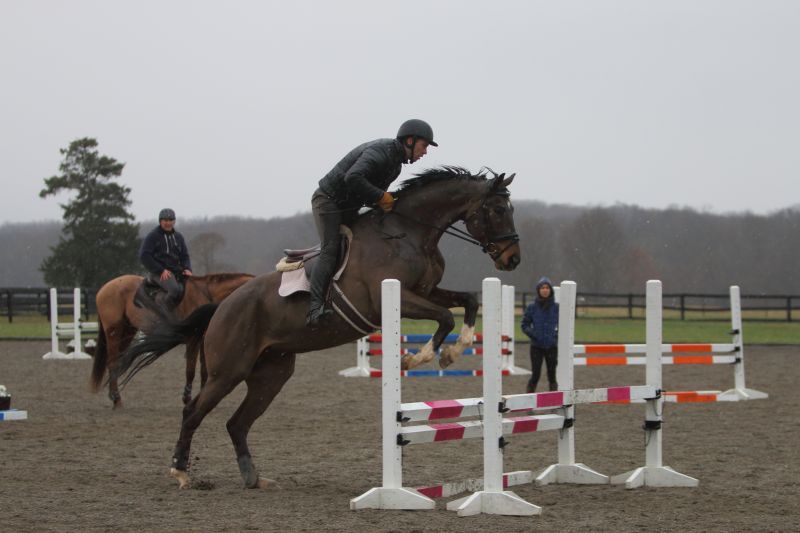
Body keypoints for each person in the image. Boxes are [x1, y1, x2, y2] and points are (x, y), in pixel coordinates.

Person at [305, 119, 438, 328]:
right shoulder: (381, 151)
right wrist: (381, 197)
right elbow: (353, 178)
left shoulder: (395, 165)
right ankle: (314, 309)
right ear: (410, 141)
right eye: (424, 145)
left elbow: (370, 194)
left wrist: (388, 200)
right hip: (328, 202)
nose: (425, 152)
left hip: (349, 206)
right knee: (331, 249)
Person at [139, 208, 193, 309]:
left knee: (191, 288)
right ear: (160, 221)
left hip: (177, 271)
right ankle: (163, 314)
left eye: (171, 220)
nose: (168, 223)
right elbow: (144, 255)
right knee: (174, 289)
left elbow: (185, 256)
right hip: (159, 272)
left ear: (174, 221)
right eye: (165, 220)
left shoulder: (178, 237)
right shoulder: (153, 236)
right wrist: (161, 270)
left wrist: (187, 268)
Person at [521, 277, 559, 393]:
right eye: (542, 288)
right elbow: (524, 325)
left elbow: (564, 324)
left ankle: (554, 399)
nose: (545, 290)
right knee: (535, 374)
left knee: (552, 375)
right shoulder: (532, 307)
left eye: (547, 288)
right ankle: (529, 398)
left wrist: (555, 335)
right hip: (536, 347)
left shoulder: (557, 307)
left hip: (551, 346)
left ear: (550, 290)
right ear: (538, 290)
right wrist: (534, 334)